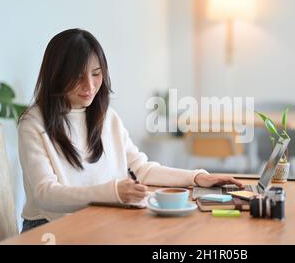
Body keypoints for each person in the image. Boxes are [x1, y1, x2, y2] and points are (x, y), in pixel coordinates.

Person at [18, 29, 242, 232]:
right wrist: (114, 193)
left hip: (99, 217)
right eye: (78, 76)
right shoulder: (33, 123)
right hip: (48, 228)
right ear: (56, 75)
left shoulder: (106, 117)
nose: (90, 86)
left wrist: (197, 177)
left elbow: (141, 169)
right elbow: (45, 194)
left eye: (96, 74)